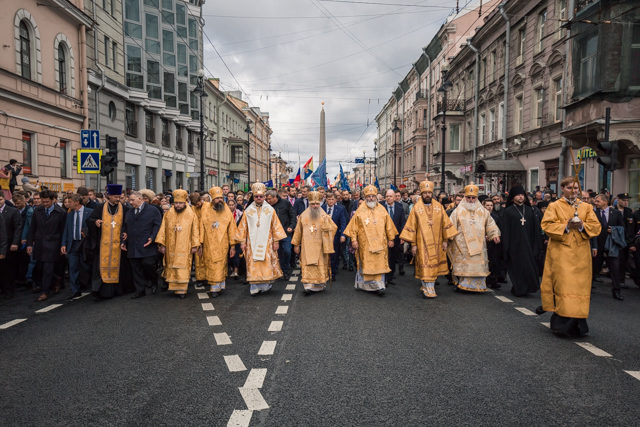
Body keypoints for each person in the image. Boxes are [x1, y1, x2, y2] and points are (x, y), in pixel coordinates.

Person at [538, 177, 601, 338]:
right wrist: (566, 225)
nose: (573, 191)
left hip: (581, 254)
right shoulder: (554, 206)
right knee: (564, 286)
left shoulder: (586, 207)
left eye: (575, 188)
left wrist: (581, 225)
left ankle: (579, 325)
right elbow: (547, 225)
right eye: (570, 188)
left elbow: (596, 227)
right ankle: (561, 325)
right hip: (561, 253)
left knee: (580, 288)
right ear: (563, 189)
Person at [400, 180, 457, 298]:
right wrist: (413, 244)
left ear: (432, 194)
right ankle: (429, 288)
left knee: (433, 265)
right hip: (422, 243)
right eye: (425, 193)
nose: (427, 195)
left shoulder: (438, 207)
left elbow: (445, 224)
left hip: (437, 242)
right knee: (425, 265)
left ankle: (426, 285)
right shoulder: (416, 208)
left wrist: (446, 241)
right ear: (421, 194)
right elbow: (412, 227)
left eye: (429, 193)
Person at [344, 185, 398, 296]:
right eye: (369, 196)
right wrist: (354, 240)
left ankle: (379, 286)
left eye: (373, 196)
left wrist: (391, 238)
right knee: (367, 264)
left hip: (380, 244)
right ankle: (366, 286)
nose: (371, 198)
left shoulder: (382, 210)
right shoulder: (360, 211)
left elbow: (389, 226)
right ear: (365, 197)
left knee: (379, 265)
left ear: (376, 197)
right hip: (365, 245)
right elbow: (353, 228)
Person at [447, 184, 501, 293]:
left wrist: (494, 234)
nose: (471, 200)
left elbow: (490, 224)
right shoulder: (457, 211)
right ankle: (462, 285)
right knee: (465, 266)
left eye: (473, 198)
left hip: (479, 244)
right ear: (465, 198)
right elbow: (450, 225)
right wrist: (449, 236)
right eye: (468, 197)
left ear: (476, 198)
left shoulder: (483, 211)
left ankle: (478, 286)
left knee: (477, 265)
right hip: (463, 245)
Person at [236, 183, 287, 295]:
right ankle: (254, 286)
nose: (258, 198)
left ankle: (265, 286)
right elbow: (243, 227)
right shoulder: (248, 211)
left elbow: (276, 226)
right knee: (253, 263)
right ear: (253, 197)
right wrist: (242, 242)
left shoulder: (270, 210)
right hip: (251, 242)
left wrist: (276, 241)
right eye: (256, 196)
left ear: (264, 197)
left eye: (261, 196)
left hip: (267, 242)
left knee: (265, 262)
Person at [86, 184, 131, 299]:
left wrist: (126, 232)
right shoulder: (99, 208)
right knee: (101, 268)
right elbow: (89, 220)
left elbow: (129, 224)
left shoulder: (125, 209)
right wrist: (95, 222)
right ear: (109, 196)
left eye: (119, 196)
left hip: (118, 246)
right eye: (115, 196)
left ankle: (119, 290)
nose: (118, 199)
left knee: (121, 268)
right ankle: (102, 292)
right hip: (103, 245)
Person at [155, 189, 200, 298]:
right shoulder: (168, 214)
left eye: (180, 203)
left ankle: (182, 290)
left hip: (185, 246)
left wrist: (195, 245)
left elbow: (195, 230)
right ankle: (175, 288)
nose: (178, 205)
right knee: (172, 266)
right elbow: (162, 229)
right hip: (171, 246)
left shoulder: (191, 214)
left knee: (183, 267)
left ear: (185, 203)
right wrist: (161, 244)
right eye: (176, 203)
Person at [292, 191, 337, 294]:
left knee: (319, 265)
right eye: (313, 204)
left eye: (317, 204)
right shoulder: (303, 215)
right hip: (306, 246)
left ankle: (320, 285)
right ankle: (308, 286)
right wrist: (296, 244)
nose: (315, 206)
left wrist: (327, 227)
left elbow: (333, 228)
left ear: (320, 203)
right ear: (309, 203)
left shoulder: (324, 215)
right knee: (308, 265)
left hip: (320, 246)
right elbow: (298, 230)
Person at [501, 186, 542, 297]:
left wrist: (536, 244)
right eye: (518, 195)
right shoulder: (508, 211)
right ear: (513, 197)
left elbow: (536, 229)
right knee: (516, 268)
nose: (520, 197)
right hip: (514, 245)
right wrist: (506, 246)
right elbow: (505, 230)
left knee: (528, 267)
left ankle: (527, 287)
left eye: (522, 195)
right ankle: (519, 288)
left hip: (528, 244)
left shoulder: (529, 210)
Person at [27, 190, 66, 301]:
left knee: (47, 269)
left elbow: (63, 231)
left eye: (47, 202)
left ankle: (45, 292)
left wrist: (63, 245)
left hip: (53, 245)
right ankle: (56, 279)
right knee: (39, 268)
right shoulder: (37, 211)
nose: (45, 204)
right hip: (39, 244)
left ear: (53, 200)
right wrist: (30, 244)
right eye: (43, 201)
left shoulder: (61, 212)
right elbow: (32, 229)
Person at [199, 187, 238, 297]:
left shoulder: (226, 210)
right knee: (211, 263)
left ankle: (215, 288)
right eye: (217, 198)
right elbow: (201, 225)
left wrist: (233, 246)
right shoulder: (205, 209)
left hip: (223, 242)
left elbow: (232, 229)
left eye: (221, 198)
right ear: (212, 199)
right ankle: (218, 285)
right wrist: (200, 243)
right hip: (208, 242)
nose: (219, 200)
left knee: (220, 263)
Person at [122, 191, 162, 299]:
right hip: (133, 246)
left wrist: (153, 237)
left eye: (132, 200)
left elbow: (158, 225)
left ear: (140, 199)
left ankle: (154, 280)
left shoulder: (153, 210)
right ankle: (140, 290)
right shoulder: (129, 212)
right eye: (129, 200)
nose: (130, 202)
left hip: (147, 245)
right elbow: (125, 227)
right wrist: (124, 241)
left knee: (148, 264)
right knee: (136, 269)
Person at [591, 193, 625, 300]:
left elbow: (622, 227)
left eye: (598, 201)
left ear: (605, 202)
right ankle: (587, 290)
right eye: (595, 201)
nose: (595, 203)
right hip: (598, 245)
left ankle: (616, 291)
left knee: (615, 269)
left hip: (611, 246)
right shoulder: (593, 213)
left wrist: (614, 230)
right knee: (593, 268)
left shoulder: (616, 213)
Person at [60, 194, 93, 299]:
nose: (68, 204)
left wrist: (87, 233)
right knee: (73, 267)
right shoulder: (69, 214)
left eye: (70, 202)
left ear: (76, 202)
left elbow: (94, 229)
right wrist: (63, 244)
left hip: (84, 244)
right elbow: (66, 229)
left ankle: (88, 286)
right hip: (73, 244)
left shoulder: (90, 212)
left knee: (86, 266)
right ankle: (75, 290)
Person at [266, 189, 296, 280]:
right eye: (267, 199)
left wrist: (291, 226)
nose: (268, 201)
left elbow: (292, 215)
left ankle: (285, 269)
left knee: (287, 251)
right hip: (271, 234)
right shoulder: (266, 205)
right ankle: (277, 271)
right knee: (276, 253)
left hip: (285, 232)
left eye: (270, 199)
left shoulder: (285, 203)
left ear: (275, 197)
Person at [381, 189, 406, 285]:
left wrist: (402, 236)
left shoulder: (399, 207)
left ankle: (390, 276)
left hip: (396, 236)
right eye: (387, 196)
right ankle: (384, 277)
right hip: (384, 236)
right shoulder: (381, 206)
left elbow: (402, 222)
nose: (388, 198)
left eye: (390, 196)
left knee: (393, 257)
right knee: (384, 257)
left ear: (395, 197)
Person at [0, 192, 22, 298]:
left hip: (9, 244)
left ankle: (9, 290)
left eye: (0, 199)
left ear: (4, 199)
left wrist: (15, 242)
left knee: (8, 268)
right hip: (1, 244)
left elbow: (18, 228)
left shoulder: (13, 211)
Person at [323, 192, 347, 281]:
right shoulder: (321, 209)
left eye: (332, 199)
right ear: (326, 200)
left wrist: (343, 235)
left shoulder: (340, 209)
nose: (330, 201)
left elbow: (343, 222)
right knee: (324, 254)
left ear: (335, 200)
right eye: (329, 199)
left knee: (334, 254)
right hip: (324, 236)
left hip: (335, 236)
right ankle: (324, 272)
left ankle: (332, 272)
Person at [482, 198, 504, 289]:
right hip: (482, 243)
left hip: (493, 244)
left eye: (491, 205)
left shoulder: (496, 216)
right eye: (487, 205)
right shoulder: (480, 216)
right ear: (483, 206)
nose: (489, 207)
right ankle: (485, 280)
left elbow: (500, 228)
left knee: (494, 262)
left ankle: (493, 280)